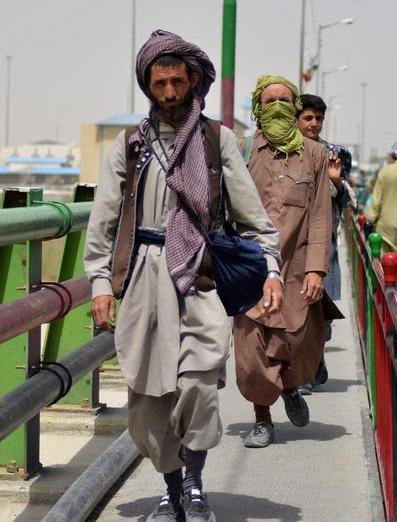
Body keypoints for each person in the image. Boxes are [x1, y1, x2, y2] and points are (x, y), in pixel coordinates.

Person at [84, 30, 283, 522]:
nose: (170, 93)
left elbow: (254, 217)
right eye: (160, 83)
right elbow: (104, 220)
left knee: (197, 385)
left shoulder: (219, 141)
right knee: (150, 404)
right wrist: (100, 283)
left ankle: (195, 484)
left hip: (201, 277)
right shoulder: (129, 146)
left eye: (177, 81)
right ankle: (172, 490)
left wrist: (273, 270)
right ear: (148, 86)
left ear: (193, 81)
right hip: (144, 282)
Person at [234, 75, 341, 449]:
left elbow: (320, 215)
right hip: (251, 270)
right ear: (257, 109)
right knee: (250, 354)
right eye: (269, 101)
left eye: (284, 100)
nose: (277, 106)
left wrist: (317, 268)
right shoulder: (243, 150)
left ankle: (291, 387)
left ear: (295, 106)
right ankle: (262, 418)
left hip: (296, 268)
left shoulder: (314, 154)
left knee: (295, 341)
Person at [295, 93, 356, 393]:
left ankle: (316, 357)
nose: (314, 123)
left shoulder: (336, 154)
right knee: (299, 312)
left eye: (318, 118)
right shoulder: (288, 152)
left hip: (324, 245)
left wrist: (336, 181)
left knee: (323, 313)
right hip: (294, 245)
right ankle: (304, 370)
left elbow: (347, 202)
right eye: (308, 118)